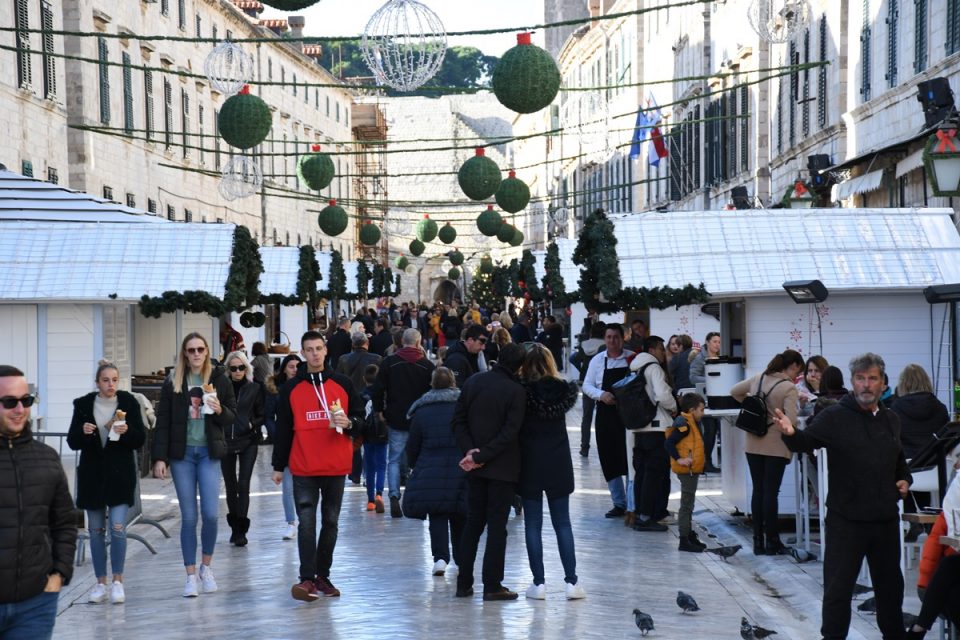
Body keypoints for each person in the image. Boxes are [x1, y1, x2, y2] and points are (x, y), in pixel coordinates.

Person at [773, 353, 911, 640]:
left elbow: (898, 460)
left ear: (883, 383)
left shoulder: (891, 419)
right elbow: (805, 441)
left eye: (872, 378)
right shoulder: (835, 416)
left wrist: (903, 479)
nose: (866, 385)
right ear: (852, 382)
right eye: (860, 379)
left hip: (884, 520)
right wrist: (789, 432)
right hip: (845, 521)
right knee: (838, 590)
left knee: (890, 590)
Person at [272, 331, 365, 601]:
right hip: (304, 466)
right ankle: (306, 579)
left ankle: (323, 575)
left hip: (336, 465)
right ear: (303, 354)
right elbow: (283, 431)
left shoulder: (343, 383)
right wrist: (279, 466)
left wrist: (351, 424)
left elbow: (361, 417)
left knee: (331, 522)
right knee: (306, 523)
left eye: (319, 348)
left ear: (326, 351)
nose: (314, 353)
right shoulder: (290, 388)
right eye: (309, 349)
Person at [152, 333, 237, 597]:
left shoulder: (220, 378)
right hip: (183, 455)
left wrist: (220, 409)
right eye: (191, 350)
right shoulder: (174, 382)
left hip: (209, 453)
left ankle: (206, 567)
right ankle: (190, 575)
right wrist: (160, 458)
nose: (197, 354)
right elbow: (163, 421)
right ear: (185, 354)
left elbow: (232, 416)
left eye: (201, 349)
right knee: (189, 517)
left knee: (211, 514)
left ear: (207, 351)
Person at [0, 365, 77, 639]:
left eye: (26, 401)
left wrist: (59, 574)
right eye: (10, 402)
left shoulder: (47, 458)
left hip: (35, 605)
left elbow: (65, 523)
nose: (20, 409)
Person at [67, 361, 146, 605]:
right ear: (97, 382)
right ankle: (100, 582)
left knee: (119, 528)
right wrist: (84, 431)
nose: (110, 384)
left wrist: (126, 431)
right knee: (95, 531)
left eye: (114, 380)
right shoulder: (83, 405)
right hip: (93, 475)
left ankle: (118, 581)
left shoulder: (129, 403)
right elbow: (73, 441)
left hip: (120, 475)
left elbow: (139, 439)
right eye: (105, 380)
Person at [452, 343, 527, 601]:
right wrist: (481, 456)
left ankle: (463, 584)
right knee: (497, 527)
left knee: (473, 524)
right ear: (519, 366)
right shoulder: (516, 391)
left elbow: (458, 420)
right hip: (502, 469)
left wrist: (470, 452)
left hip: (474, 467)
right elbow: (510, 432)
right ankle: (492, 584)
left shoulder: (473, 382)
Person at [517, 343, 585, 600]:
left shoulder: (522, 392)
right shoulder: (563, 392)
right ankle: (571, 582)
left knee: (533, 524)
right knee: (563, 523)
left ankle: (539, 583)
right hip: (558, 461)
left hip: (530, 461)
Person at [730, 349, 802, 556]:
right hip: (775, 444)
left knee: (759, 491)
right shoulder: (788, 387)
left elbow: (734, 391)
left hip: (753, 442)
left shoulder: (758, 378)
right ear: (793, 365)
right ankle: (772, 541)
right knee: (771, 493)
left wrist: (755, 408)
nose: (797, 375)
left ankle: (757, 542)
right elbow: (792, 421)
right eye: (798, 370)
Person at [402, 367, 466, 577]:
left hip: (430, 467)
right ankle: (461, 556)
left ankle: (440, 558)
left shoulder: (421, 411)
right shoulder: (462, 407)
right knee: (459, 513)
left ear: (432, 384)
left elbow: (413, 445)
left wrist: (415, 465)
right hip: (460, 467)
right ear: (452, 384)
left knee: (437, 514)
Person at [371, 328, 435, 518]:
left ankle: (393, 495)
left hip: (395, 416)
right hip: (419, 418)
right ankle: (418, 496)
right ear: (418, 343)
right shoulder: (427, 366)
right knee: (421, 459)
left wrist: (379, 411)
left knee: (394, 459)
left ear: (400, 342)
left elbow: (377, 389)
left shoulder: (390, 363)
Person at [582, 324, 634, 518]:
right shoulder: (597, 360)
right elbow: (586, 385)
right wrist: (600, 394)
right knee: (609, 458)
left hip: (628, 415)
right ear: (605, 339)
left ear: (623, 338)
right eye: (609, 337)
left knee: (629, 458)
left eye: (616, 337)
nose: (613, 341)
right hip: (605, 414)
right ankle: (618, 503)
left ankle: (632, 503)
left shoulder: (631, 358)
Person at [628, 335, 678, 533]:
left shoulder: (635, 367)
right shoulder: (654, 368)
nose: (663, 354)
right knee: (654, 474)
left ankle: (641, 513)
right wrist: (674, 407)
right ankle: (648, 516)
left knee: (641, 473)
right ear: (652, 350)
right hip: (657, 428)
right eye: (660, 349)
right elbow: (662, 394)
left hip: (640, 427)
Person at [221, 350, 264, 548]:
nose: (237, 371)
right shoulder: (221, 388)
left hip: (248, 440)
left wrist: (250, 424)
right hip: (226, 441)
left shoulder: (255, 388)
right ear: (228, 369)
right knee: (230, 484)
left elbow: (262, 414)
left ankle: (241, 531)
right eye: (233, 368)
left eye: (241, 367)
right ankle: (234, 528)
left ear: (246, 368)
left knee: (244, 483)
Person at [265, 354, 302, 540]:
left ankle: (305, 519)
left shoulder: (306, 387)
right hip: (285, 441)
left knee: (304, 484)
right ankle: (290, 522)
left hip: (304, 439)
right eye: (290, 366)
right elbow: (269, 416)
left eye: (297, 366)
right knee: (288, 485)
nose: (294, 369)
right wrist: (277, 434)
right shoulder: (275, 390)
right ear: (284, 369)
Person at [665, 393, 708, 553]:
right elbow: (669, 443)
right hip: (687, 470)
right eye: (701, 410)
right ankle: (684, 539)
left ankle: (688, 535)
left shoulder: (691, 422)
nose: (703, 413)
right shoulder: (685, 425)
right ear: (692, 410)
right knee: (686, 505)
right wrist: (680, 459)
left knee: (689, 504)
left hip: (692, 469)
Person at [891, 364, 950, 460]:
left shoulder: (896, 408)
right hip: (936, 465)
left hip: (907, 465)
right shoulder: (941, 408)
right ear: (927, 381)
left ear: (902, 383)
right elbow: (947, 440)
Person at [690, 332, 721, 473]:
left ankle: (708, 462)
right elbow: (693, 377)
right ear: (707, 342)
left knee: (716, 432)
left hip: (720, 398)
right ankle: (704, 462)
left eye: (719, 342)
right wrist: (710, 380)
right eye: (714, 341)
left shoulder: (723, 357)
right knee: (709, 432)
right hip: (705, 400)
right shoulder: (699, 358)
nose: (717, 344)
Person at [574, 322, 606, 457]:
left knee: (586, 416)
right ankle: (604, 445)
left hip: (587, 380)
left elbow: (575, 358)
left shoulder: (584, 344)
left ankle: (584, 446)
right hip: (601, 381)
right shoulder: (605, 345)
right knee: (603, 416)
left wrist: (582, 370)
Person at [360, 364, 388, 513]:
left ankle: (370, 500)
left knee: (369, 466)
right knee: (382, 464)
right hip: (382, 432)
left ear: (364, 379)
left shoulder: (360, 395)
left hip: (367, 433)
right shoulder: (383, 394)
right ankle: (379, 494)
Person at [443, 324, 488, 389]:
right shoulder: (456, 360)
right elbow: (456, 388)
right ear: (470, 340)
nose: (483, 348)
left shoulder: (473, 354)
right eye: (480, 343)